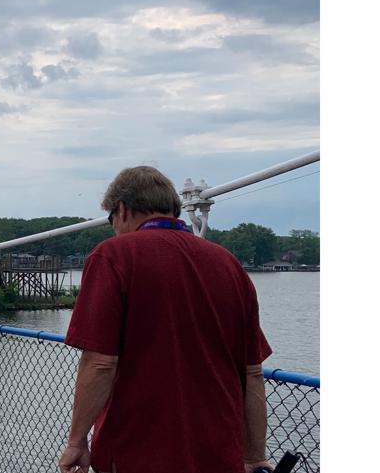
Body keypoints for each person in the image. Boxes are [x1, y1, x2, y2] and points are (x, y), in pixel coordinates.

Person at [59, 166, 273, 473]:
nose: (113, 229)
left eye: (111, 219)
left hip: (138, 450)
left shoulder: (113, 256)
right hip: (219, 452)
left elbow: (100, 362)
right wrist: (254, 456)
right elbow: (252, 373)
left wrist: (76, 442)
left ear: (122, 209)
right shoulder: (228, 263)